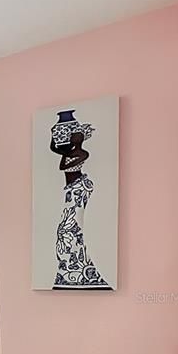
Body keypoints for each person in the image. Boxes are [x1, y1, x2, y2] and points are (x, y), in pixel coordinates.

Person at [48, 113, 108, 289]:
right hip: (71, 188)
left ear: (79, 138)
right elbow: (53, 148)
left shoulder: (82, 153)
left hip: (78, 187)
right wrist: (52, 135)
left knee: (70, 227)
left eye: (72, 136)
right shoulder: (68, 151)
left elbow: (62, 166)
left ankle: (80, 270)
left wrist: (64, 151)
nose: (69, 139)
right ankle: (70, 270)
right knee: (67, 228)